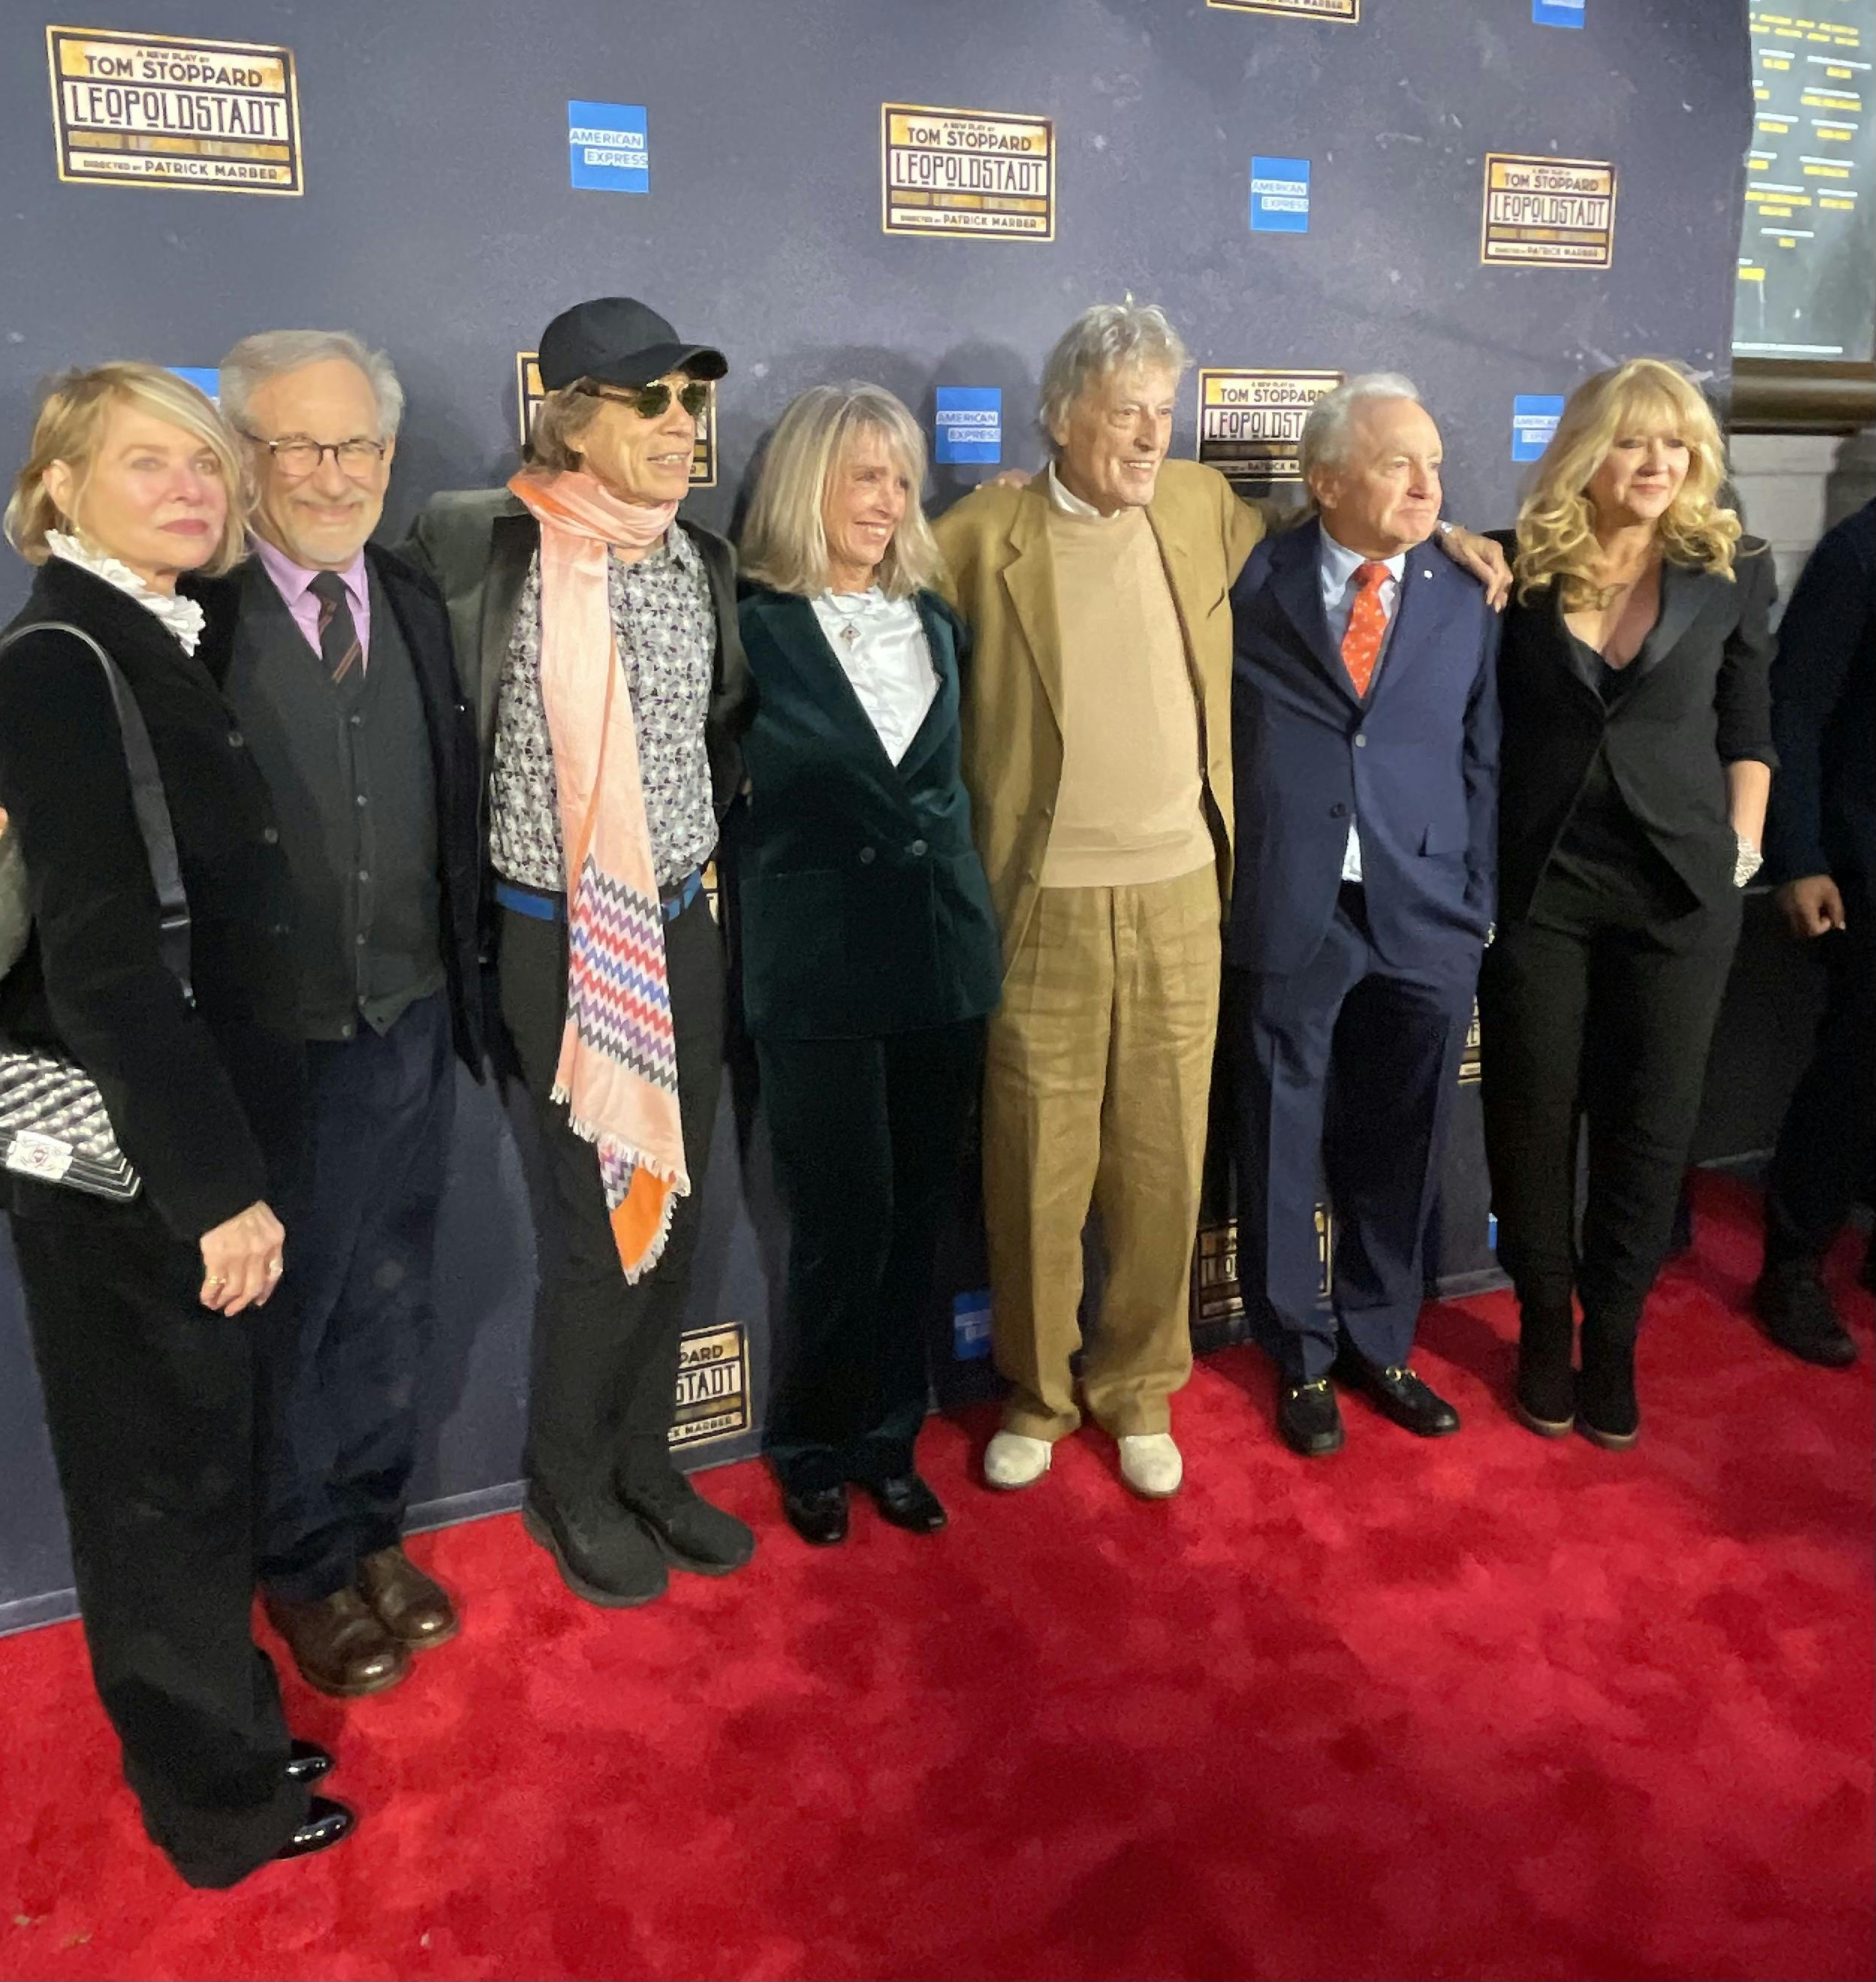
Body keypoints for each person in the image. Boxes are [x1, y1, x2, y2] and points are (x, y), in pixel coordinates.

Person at [0, 331, 484, 1701]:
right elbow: (73, 824)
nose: (331, 473)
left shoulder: (416, 595)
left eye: (357, 445)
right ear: (246, 458)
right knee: (281, 1323)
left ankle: (367, 1524)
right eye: (294, 444)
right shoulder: (188, 611)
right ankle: (299, 1564)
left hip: (413, 1016)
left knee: (388, 1300)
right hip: (264, 1049)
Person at [931, 301, 1509, 1499]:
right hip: (1041, 907)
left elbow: (1349, 535)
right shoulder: (979, 536)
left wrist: (1449, 535)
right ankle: (1037, 1394)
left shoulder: (1203, 507)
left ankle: (1140, 1387)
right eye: (1123, 414)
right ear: (1060, 417)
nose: (1151, 436)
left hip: (1186, 901)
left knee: (1161, 1169)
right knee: (1035, 1169)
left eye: (1162, 411)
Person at [0, 363, 347, 1882]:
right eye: (145, 463)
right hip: (137, 1169)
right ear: (59, 485)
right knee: (157, 1492)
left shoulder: (158, 622)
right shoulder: (62, 658)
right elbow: (108, 966)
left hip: (190, 1134)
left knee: (198, 1463)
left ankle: (227, 1728)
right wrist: (215, 1191)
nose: (191, 489)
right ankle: (219, 1805)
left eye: (203, 463)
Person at [404, 296, 754, 1606]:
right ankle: (568, 1482)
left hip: (680, 928)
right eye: (647, 399)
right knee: (594, 1230)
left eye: (689, 400)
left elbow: (720, 731)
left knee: (675, 1208)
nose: (679, 424)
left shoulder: (700, 559)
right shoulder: (471, 545)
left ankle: (645, 1461)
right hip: (553, 939)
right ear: (570, 418)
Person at [1479, 357, 1776, 1449]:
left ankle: (1611, 1338)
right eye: (1633, 440)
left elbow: (1750, 728)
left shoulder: (1733, 565)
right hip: (1544, 886)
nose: (1659, 463)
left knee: (1649, 1128)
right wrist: (1455, 543)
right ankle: (1541, 1325)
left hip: (1680, 892)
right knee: (1530, 1116)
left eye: (1678, 443)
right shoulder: (1514, 564)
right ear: (1584, 452)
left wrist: (1740, 850)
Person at [733, 383, 1003, 1545]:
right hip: (817, 970)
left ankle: (890, 1440)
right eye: (862, 477)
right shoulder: (753, 629)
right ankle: (810, 1444)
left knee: (917, 1219)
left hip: (942, 960)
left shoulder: (935, 620)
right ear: (808, 486)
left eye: (900, 479)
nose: (887, 501)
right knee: (841, 1222)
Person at [1227, 376, 1499, 1456]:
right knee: (1280, 1138)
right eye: (1399, 465)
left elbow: (1482, 755)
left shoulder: (1467, 590)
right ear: (1327, 480)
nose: (1427, 485)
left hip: (1426, 908)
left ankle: (1381, 1340)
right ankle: (1298, 1354)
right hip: (1294, 899)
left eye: (1435, 464)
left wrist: (1474, 901)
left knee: (1404, 1134)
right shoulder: (1250, 574)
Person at [1753, 496, 1875, 1365]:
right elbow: (1791, 714)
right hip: (1863, 862)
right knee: (1857, 1068)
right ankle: (1793, 1262)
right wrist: (1797, 859)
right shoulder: (1857, 554)